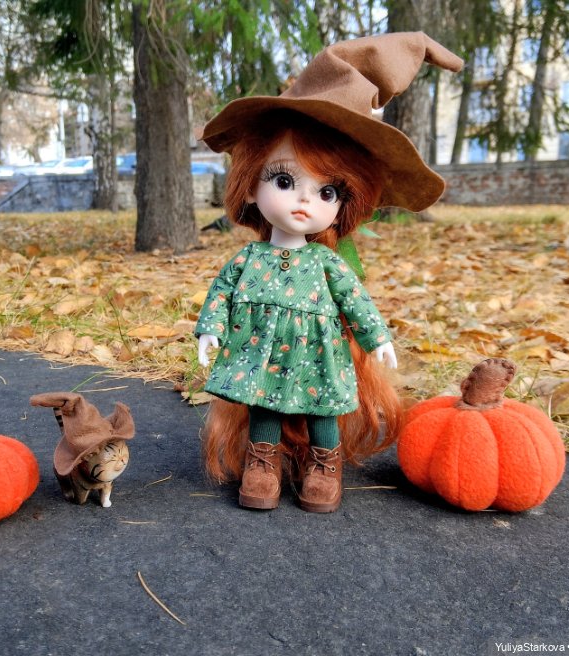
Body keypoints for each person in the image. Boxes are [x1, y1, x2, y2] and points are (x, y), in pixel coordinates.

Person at [195, 32, 463, 513]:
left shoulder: (326, 262)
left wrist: (376, 336)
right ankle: (262, 462)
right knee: (265, 404)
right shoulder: (248, 261)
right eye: (284, 180)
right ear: (251, 186)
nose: (303, 200)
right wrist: (210, 329)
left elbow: (354, 299)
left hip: (319, 352)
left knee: (324, 406)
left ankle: (325, 463)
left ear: (344, 205)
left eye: (327, 192)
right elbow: (221, 292)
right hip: (262, 350)